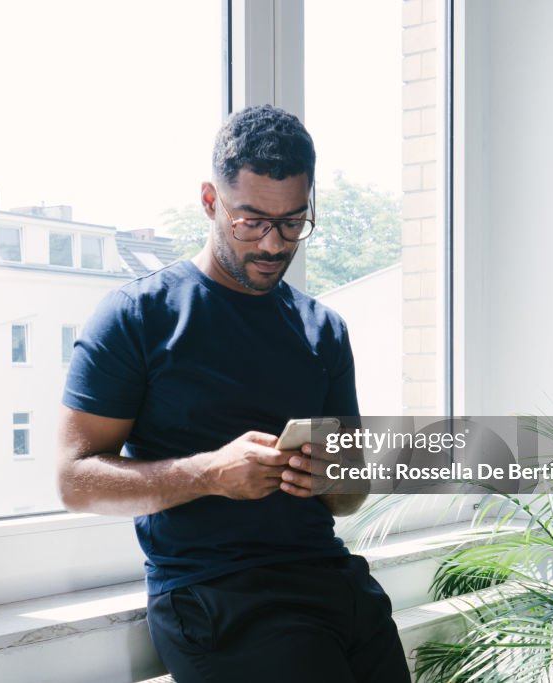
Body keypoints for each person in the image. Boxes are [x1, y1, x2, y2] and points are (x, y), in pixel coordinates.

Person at [57, 104, 411, 682]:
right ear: (209, 201)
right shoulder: (138, 316)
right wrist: (207, 474)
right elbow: (74, 481)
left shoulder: (324, 328)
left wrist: (331, 477)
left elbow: (350, 496)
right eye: (251, 221)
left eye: (293, 223)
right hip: (222, 599)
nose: (274, 245)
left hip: (338, 585)